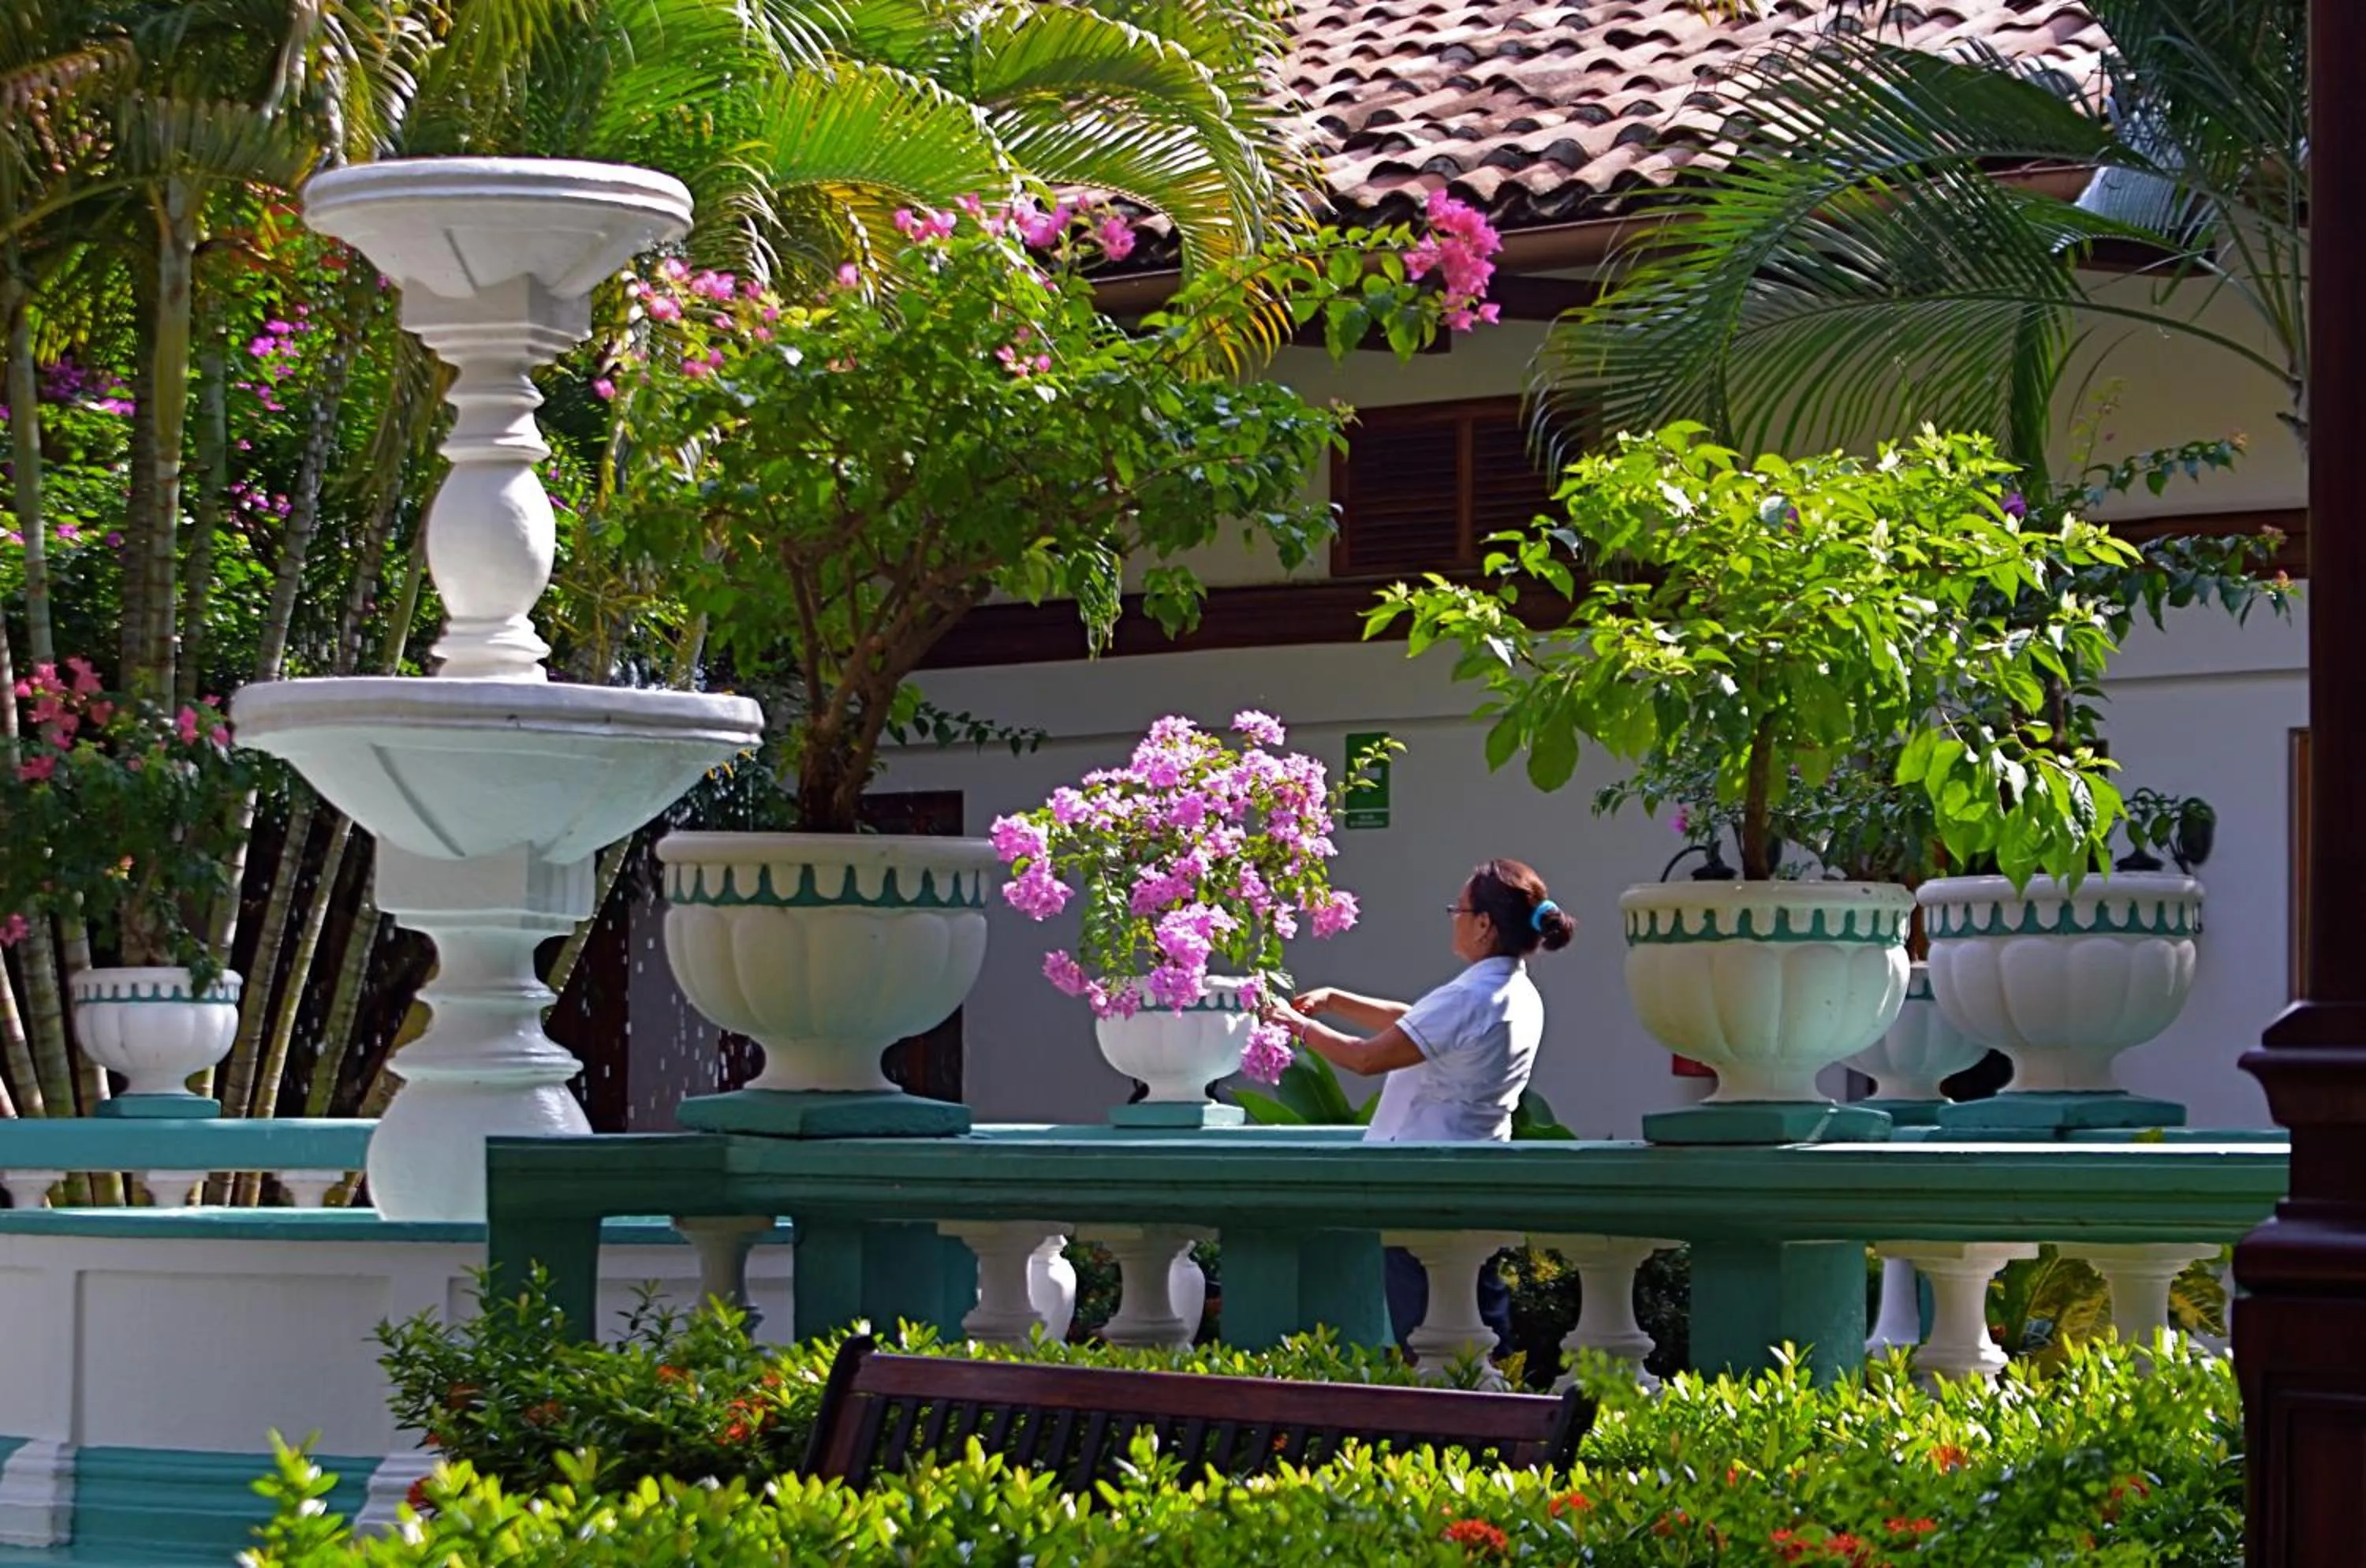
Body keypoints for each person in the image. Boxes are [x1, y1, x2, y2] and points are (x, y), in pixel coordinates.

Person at [1262, 857, 1577, 1353]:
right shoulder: (1512, 989)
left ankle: (1458, 1422)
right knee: (1477, 1314)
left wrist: (1295, 1025)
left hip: (1427, 1181)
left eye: (1460, 908)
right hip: (1474, 1173)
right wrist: (1337, 1000)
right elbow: (1419, 1021)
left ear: (1483, 925)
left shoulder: (1473, 995)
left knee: (1428, 1330)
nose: (1453, 916)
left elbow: (1367, 1060)